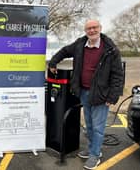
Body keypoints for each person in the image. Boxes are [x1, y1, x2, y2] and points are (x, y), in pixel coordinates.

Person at [48, 20, 124, 170]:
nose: (92, 30)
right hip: (83, 92)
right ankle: (92, 149)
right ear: (85, 31)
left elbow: (117, 75)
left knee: (97, 127)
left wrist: (112, 97)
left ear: (100, 29)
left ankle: (95, 155)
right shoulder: (80, 44)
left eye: (94, 27)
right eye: (88, 28)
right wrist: (53, 62)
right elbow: (64, 51)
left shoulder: (111, 49)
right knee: (89, 125)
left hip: (101, 95)